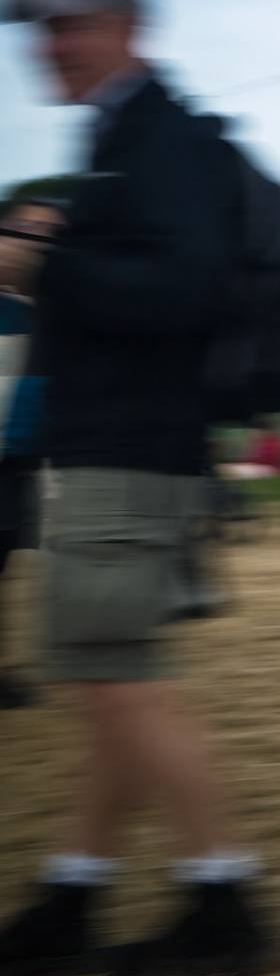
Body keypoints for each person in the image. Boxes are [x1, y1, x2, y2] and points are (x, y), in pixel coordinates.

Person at [0, 0, 273, 976]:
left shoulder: (156, 139)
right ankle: (73, 885)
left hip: (127, 448)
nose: (46, 45)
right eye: (37, 26)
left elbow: (180, 291)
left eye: (66, 24)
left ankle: (224, 893)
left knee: (120, 679)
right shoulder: (128, 136)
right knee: (105, 678)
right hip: (127, 445)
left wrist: (45, 261)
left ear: (126, 25)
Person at [0, 193, 58, 710]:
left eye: (50, 234)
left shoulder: (50, 309)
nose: (36, 242)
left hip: (19, 457)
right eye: (26, 229)